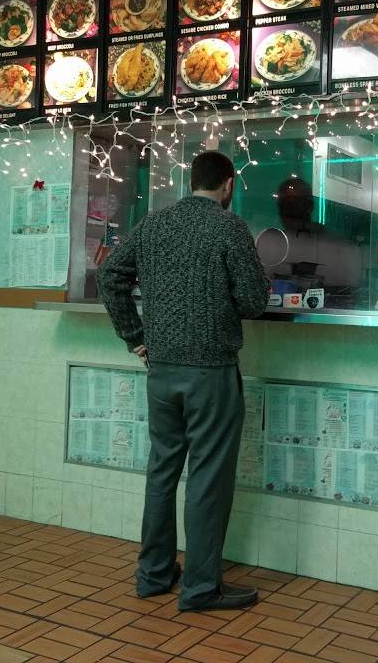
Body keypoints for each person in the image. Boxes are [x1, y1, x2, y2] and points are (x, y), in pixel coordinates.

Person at [98, 151, 270, 612]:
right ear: (228, 184)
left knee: (162, 471)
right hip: (211, 372)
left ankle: (153, 575)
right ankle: (200, 588)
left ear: (191, 181)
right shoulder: (229, 227)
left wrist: (135, 336)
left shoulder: (153, 224)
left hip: (162, 372)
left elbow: (110, 275)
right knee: (208, 478)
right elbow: (253, 301)